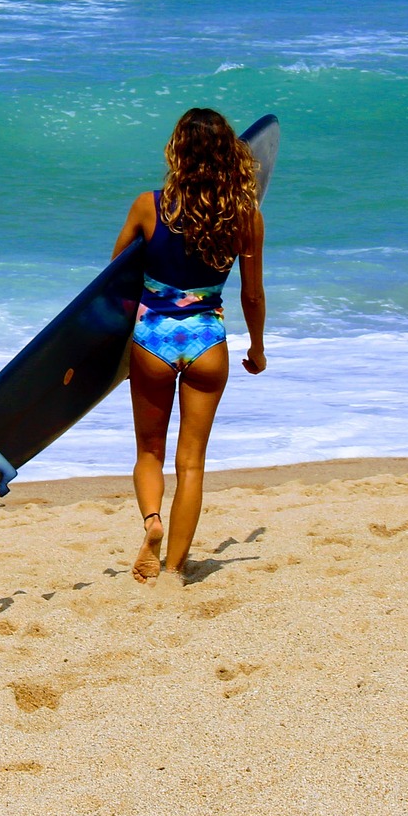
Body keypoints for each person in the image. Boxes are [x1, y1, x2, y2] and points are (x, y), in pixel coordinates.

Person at [110, 108, 267, 584]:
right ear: (230, 154)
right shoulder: (246, 216)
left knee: (149, 452)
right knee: (192, 460)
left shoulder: (147, 205)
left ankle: (152, 523)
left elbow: (114, 279)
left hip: (153, 339)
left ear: (177, 150)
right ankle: (175, 568)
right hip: (207, 342)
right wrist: (257, 348)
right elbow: (253, 294)